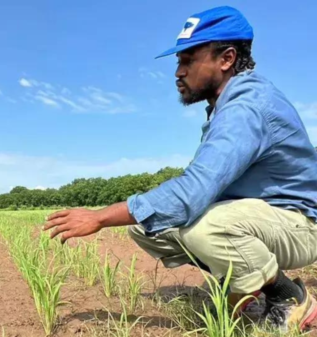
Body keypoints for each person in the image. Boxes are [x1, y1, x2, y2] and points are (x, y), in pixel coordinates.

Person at [43, 6, 317, 333]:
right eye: (178, 62)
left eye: (188, 60)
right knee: (147, 227)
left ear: (226, 59)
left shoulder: (246, 109)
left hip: (299, 224)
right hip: (260, 220)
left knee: (206, 228)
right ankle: (242, 286)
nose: (178, 72)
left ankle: (287, 296)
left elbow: (192, 193)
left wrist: (100, 217)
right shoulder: (225, 106)